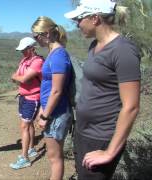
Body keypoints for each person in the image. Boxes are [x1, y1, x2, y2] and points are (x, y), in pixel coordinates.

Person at [64, 0, 141, 179]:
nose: (76, 24)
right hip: (83, 130)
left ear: (95, 18)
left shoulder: (123, 50)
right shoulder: (94, 46)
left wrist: (109, 152)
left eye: (79, 19)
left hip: (101, 136)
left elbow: (131, 107)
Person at [31, 16, 73, 180]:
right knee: (53, 156)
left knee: (55, 157)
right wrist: (42, 107)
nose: (36, 40)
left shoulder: (58, 56)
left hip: (57, 113)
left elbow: (56, 90)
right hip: (53, 110)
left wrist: (45, 115)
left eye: (36, 36)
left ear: (47, 33)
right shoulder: (53, 54)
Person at [9, 37, 43, 170]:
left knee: (24, 126)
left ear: (32, 48)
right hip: (23, 97)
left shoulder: (37, 61)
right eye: (21, 50)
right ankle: (31, 149)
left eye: (24, 49)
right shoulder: (24, 60)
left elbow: (22, 78)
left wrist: (18, 78)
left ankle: (25, 158)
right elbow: (19, 78)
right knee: (28, 125)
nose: (22, 52)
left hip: (32, 98)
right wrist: (19, 78)